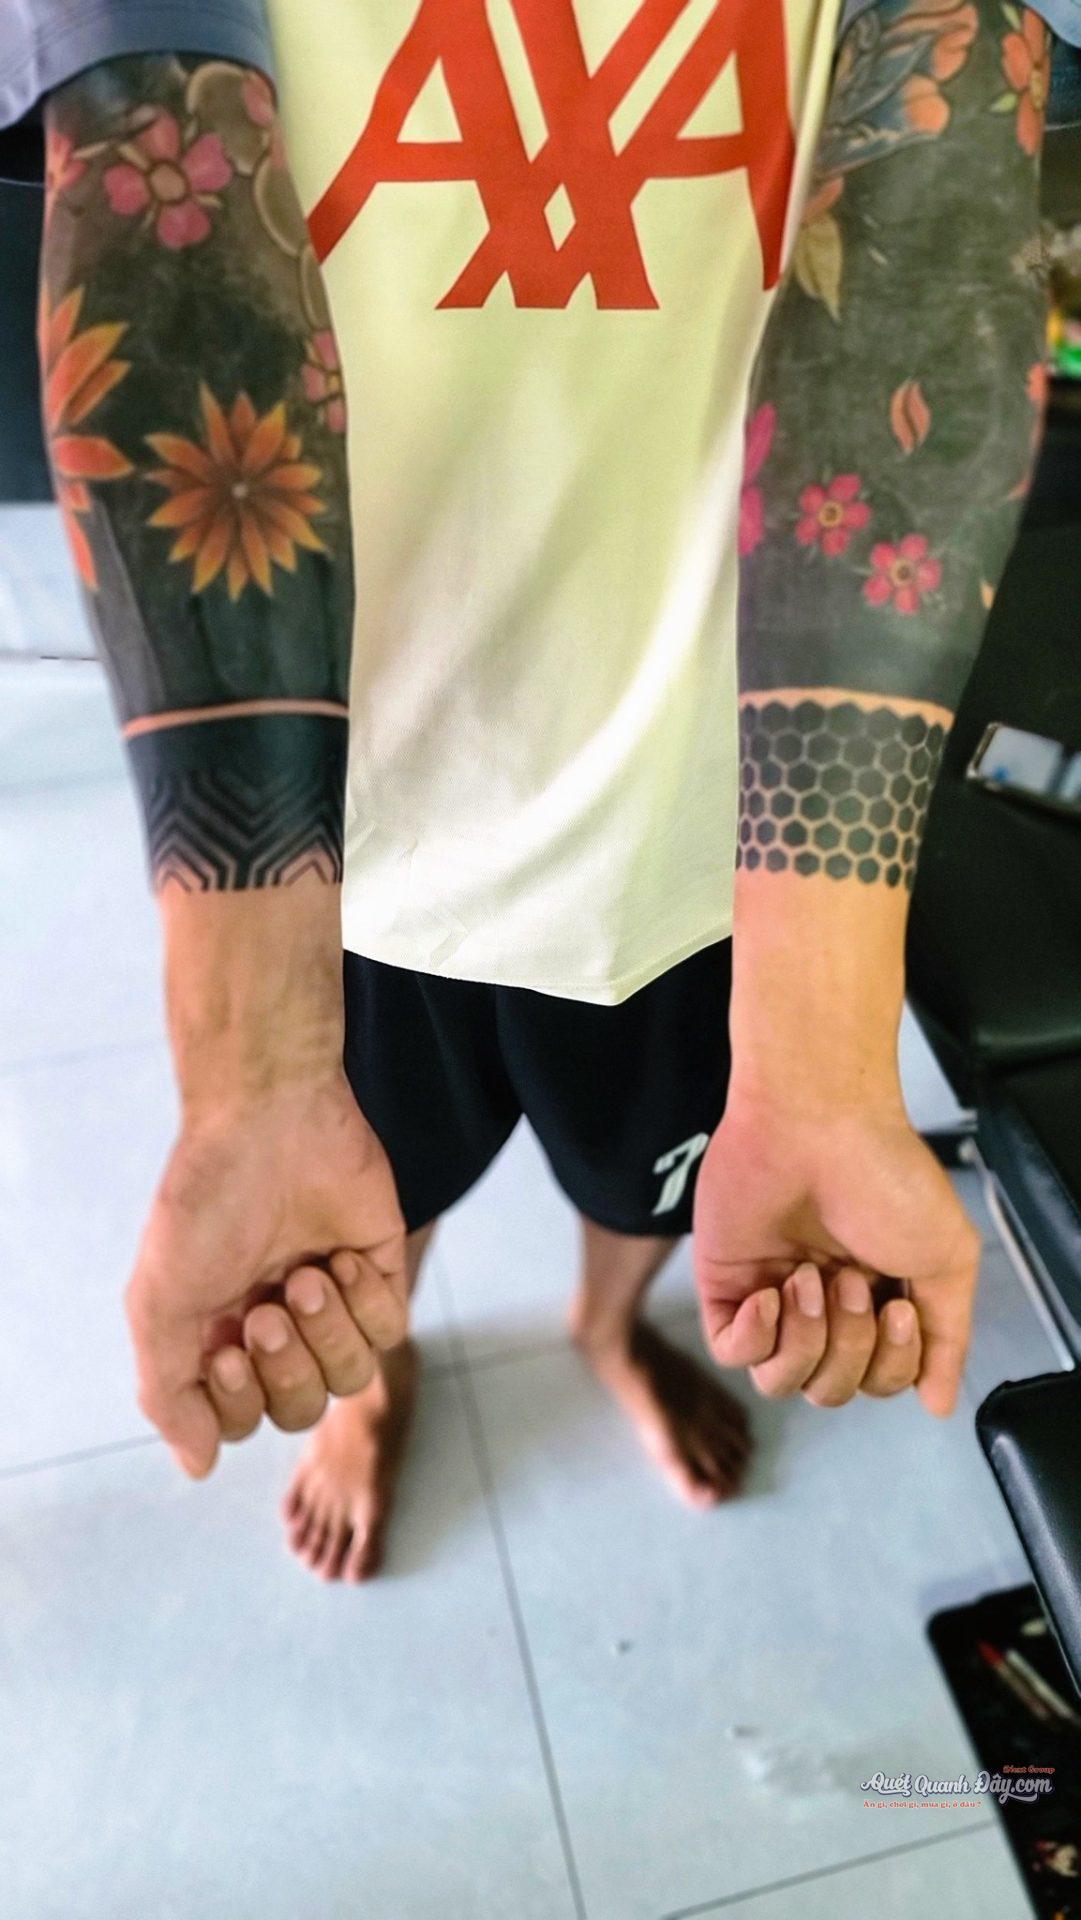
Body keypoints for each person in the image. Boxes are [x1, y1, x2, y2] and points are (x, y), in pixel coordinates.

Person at [3, 0, 1077, 1583]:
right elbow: (163, 173)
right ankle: (373, 1378)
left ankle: (603, 1330)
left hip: (719, 827)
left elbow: (931, 218)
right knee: (358, 1203)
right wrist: (247, 1070)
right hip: (348, 835)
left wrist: (821, 1048)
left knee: (649, 1187)